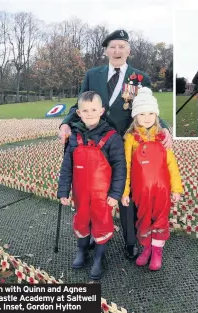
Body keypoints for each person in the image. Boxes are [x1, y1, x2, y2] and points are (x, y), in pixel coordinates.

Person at [58, 29, 172, 259]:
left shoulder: (140, 78)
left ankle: (131, 241)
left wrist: (165, 126)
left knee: (127, 192)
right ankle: (92, 234)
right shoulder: (93, 75)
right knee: (93, 190)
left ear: (129, 50)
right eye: (112, 47)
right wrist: (65, 123)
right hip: (97, 141)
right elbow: (79, 104)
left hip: (128, 143)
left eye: (122, 46)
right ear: (106, 51)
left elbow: (148, 108)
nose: (117, 51)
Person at [57, 91, 126, 280]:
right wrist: (63, 190)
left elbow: (120, 167)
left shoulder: (111, 137)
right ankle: (82, 250)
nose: (89, 113)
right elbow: (67, 167)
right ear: (78, 113)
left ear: (102, 111)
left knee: (102, 223)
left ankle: (99, 257)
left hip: (103, 195)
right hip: (80, 194)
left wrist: (115, 193)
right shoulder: (74, 136)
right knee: (81, 220)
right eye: (85, 110)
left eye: (93, 109)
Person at [121, 87, 183, 271]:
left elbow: (172, 164)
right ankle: (147, 249)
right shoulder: (131, 139)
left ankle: (157, 253)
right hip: (141, 193)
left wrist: (176, 189)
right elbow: (126, 166)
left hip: (162, 191)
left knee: (160, 220)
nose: (146, 117)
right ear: (135, 116)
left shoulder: (163, 137)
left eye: (150, 113)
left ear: (156, 115)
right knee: (144, 220)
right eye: (141, 113)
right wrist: (125, 192)